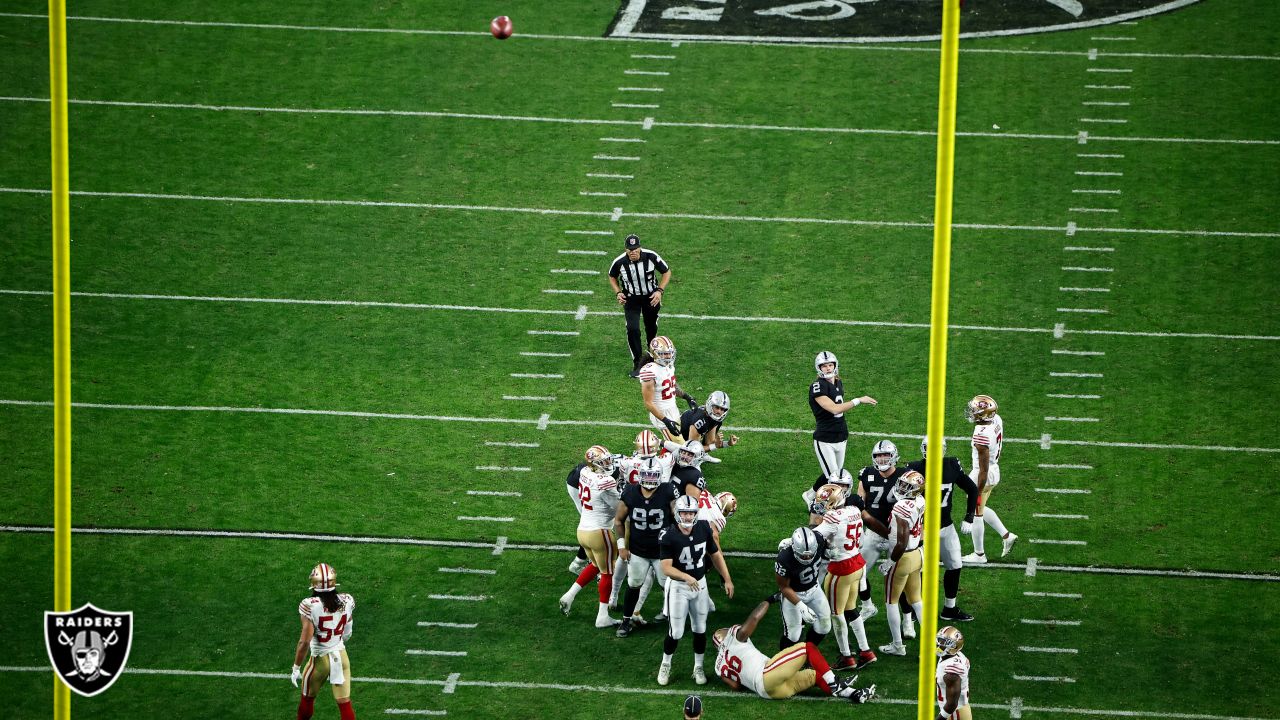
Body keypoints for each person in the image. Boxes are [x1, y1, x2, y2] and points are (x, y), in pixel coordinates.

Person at [712, 598, 876, 703]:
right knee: (807, 648)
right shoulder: (733, 637)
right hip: (766, 674)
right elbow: (754, 619)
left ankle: (854, 694)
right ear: (723, 636)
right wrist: (768, 600)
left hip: (769, 692)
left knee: (815, 675)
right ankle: (834, 684)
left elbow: (735, 686)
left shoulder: (718, 667)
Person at [657, 495, 734, 686]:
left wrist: (727, 579)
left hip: (700, 584)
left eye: (691, 513)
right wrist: (686, 577)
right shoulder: (668, 535)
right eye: (684, 512)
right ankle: (665, 664)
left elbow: (715, 554)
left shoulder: (704, 527)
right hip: (679, 587)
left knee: (700, 629)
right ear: (677, 513)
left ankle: (698, 667)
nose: (688, 517)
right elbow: (666, 568)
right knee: (675, 632)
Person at [906, 437, 979, 621]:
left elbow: (972, 488)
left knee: (955, 565)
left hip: (945, 526)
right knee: (918, 569)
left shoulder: (951, 465)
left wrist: (970, 517)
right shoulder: (913, 468)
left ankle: (950, 608)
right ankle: (917, 608)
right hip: (921, 528)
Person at [810, 486, 878, 670]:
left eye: (825, 502)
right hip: (857, 562)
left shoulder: (833, 517)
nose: (822, 505)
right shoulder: (854, 510)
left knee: (836, 613)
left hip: (841, 567)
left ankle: (846, 657)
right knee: (850, 609)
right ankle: (866, 651)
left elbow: (813, 536)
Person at [614, 456, 680, 638]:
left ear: (660, 476)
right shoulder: (630, 492)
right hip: (638, 550)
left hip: (662, 551)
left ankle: (674, 619)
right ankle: (626, 621)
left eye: (653, 476)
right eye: (647, 475)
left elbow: (678, 518)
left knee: (667, 586)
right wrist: (621, 546)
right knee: (633, 584)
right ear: (640, 475)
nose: (650, 479)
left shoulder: (668, 491)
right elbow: (618, 520)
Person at [560, 446, 623, 628]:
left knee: (595, 565)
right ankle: (602, 616)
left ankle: (569, 595)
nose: (608, 463)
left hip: (582, 531)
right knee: (607, 572)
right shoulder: (606, 482)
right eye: (603, 461)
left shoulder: (585, 472)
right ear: (594, 463)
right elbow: (618, 508)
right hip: (599, 532)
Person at [292, 563, 356, 720]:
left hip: (320, 659)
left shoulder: (309, 605)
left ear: (314, 583)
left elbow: (304, 642)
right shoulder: (347, 600)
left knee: (307, 700)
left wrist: (296, 667)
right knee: (345, 703)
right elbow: (347, 633)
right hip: (342, 657)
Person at [960, 395, 1018, 564]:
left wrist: (975, 493)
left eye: (975, 410)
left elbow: (983, 470)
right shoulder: (996, 419)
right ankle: (1007, 536)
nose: (972, 412)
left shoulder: (981, 437)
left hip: (983, 474)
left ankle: (979, 555)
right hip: (993, 469)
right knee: (981, 508)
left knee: (977, 512)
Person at [855, 440, 907, 620]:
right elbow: (858, 503)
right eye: (878, 455)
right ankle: (867, 606)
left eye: (885, 455)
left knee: (900, 580)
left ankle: (907, 619)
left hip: (897, 534)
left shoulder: (904, 475)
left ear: (894, 456)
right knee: (858, 574)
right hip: (873, 533)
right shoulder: (867, 474)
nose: (882, 459)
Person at [809, 351, 877, 485]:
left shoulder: (838, 382)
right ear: (819, 368)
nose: (828, 368)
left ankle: (810, 495)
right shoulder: (817, 386)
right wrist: (858, 400)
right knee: (835, 479)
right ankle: (822, 504)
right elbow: (834, 408)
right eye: (824, 366)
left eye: (830, 365)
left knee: (835, 473)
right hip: (825, 438)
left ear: (835, 365)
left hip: (841, 436)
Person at [609, 234, 671, 377]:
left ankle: (653, 359)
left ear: (640, 248)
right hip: (631, 299)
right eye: (630, 250)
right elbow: (612, 275)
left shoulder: (651, 256)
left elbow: (666, 272)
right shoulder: (620, 262)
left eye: (635, 249)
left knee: (651, 328)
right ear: (626, 250)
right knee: (632, 329)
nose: (633, 252)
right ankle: (638, 363)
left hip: (651, 297)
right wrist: (618, 292)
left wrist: (659, 291)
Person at [878, 471, 925, 657]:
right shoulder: (921, 500)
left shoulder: (901, 507)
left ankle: (897, 645)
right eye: (902, 484)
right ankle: (931, 644)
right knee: (917, 601)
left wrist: (890, 562)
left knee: (891, 602)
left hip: (902, 557)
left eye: (907, 486)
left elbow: (901, 542)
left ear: (915, 489)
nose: (902, 488)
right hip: (917, 555)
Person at [773, 527, 832, 651]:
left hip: (814, 589)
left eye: (810, 554)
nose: (807, 558)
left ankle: (807, 653)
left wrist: (831, 549)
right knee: (793, 635)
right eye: (803, 556)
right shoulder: (784, 557)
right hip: (794, 594)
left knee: (824, 626)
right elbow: (783, 587)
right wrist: (801, 606)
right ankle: (782, 662)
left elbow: (829, 536)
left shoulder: (819, 540)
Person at [640, 336, 698, 440]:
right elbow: (648, 403)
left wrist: (687, 397)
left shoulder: (668, 365)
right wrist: (665, 421)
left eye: (670, 352)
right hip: (661, 413)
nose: (669, 356)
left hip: (673, 409)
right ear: (655, 353)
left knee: (683, 442)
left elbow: (671, 386)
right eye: (664, 353)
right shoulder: (649, 372)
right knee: (682, 449)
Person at [935, 626, 972, 720]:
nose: (939, 645)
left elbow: (952, 704)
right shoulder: (954, 655)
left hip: (954, 713)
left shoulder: (951, 672)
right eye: (940, 640)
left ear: (954, 646)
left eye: (945, 642)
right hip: (958, 710)